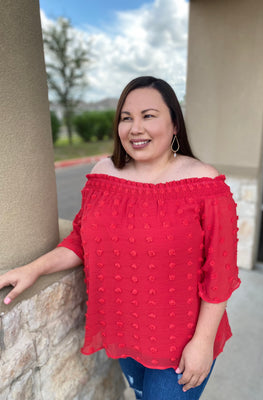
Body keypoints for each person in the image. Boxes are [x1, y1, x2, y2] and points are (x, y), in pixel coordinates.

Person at [0, 76, 241, 399]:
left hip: (182, 340)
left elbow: (220, 274)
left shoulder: (205, 184)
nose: (135, 128)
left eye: (149, 116)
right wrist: (34, 269)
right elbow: (80, 241)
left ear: (174, 125)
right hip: (125, 330)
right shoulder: (103, 175)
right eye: (126, 118)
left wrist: (203, 342)